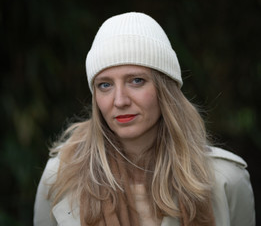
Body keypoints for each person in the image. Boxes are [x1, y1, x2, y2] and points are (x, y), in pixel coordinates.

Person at [34, 12, 255, 226]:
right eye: (105, 85)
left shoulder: (226, 179)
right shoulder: (60, 177)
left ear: (165, 90)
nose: (119, 100)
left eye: (136, 81)